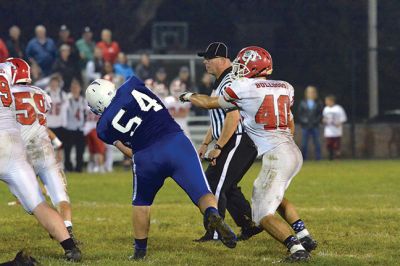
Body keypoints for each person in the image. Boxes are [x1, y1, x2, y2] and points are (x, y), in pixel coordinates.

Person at [180, 46, 317, 262]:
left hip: (277, 155)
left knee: (262, 213)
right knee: (276, 196)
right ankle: (303, 234)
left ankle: (296, 248)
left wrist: (188, 95)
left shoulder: (244, 87)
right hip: (292, 151)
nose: (239, 69)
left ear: (255, 66)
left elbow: (208, 103)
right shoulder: (285, 87)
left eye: (243, 65)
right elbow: (290, 123)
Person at [85, 77, 237, 260]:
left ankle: (139, 252)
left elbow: (128, 151)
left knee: (141, 203)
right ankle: (212, 213)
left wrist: (138, 151)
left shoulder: (103, 127)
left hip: (146, 156)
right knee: (202, 192)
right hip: (176, 142)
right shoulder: (131, 84)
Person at [0, 59, 80, 261]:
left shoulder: (9, 83)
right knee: (40, 203)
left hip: (19, 145)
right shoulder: (35, 90)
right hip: (22, 149)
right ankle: (70, 246)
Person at [194, 42, 261, 242]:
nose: (205, 62)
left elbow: (232, 117)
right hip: (235, 139)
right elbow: (218, 119)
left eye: (209, 58)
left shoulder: (231, 81)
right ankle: (249, 224)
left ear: (223, 60)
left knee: (213, 183)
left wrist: (219, 146)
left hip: (238, 139)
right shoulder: (221, 82)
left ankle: (215, 232)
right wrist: (206, 143)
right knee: (228, 186)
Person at [64, 79, 86, 172]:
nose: (75, 89)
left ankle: (79, 168)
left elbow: (86, 114)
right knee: (67, 150)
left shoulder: (83, 101)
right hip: (69, 127)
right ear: (70, 89)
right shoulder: (66, 99)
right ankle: (68, 167)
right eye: (73, 88)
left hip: (80, 128)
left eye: (76, 87)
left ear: (80, 89)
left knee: (80, 150)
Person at [45, 75, 68, 165]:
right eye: (52, 82)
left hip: (59, 124)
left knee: (59, 146)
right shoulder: (45, 93)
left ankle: (60, 164)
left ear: (58, 84)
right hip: (49, 125)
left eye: (55, 83)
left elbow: (65, 110)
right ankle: (50, 164)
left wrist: (64, 123)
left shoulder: (63, 94)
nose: (54, 84)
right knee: (49, 146)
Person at [297, 85, 323, 160]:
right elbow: (300, 114)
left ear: (315, 93)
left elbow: (320, 114)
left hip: (315, 126)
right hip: (305, 127)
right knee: (304, 144)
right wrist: (305, 121)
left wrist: (315, 121)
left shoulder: (318, 103)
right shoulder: (302, 103)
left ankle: (319, 158)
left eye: (312, 92)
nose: (311, 94)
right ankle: (304, 158)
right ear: (306, 93)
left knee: (317, 143)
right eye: (309, 92)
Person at [322, 95, 347, 160]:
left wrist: (339, 123)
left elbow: (343, 118)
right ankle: (330, 157)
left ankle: (337, 157)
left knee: (336, 145)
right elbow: (324, 118)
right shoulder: (326, 109)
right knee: (329, 144)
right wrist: (324, 120)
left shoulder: (338, 108)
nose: (326, 102)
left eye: (327, 101)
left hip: (336, 131)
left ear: (332, 101)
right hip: (329, 130)